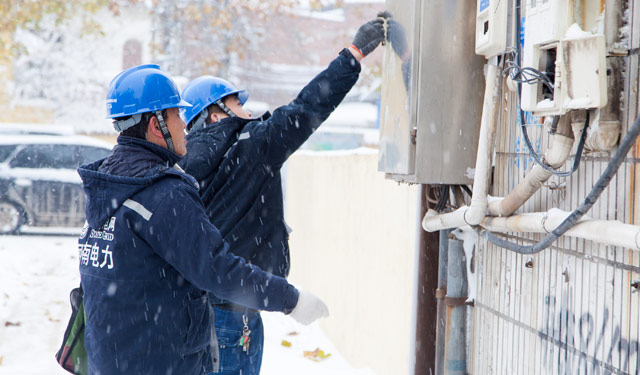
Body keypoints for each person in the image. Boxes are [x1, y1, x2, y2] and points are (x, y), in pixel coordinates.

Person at [77, 64, 328, 374]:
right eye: (176, 115)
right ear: (157, 126)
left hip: (114, 359)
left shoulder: (107, 184)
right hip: (160, 361)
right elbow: (217, 269)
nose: (185, 124)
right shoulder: (162, 193)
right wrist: (291, 299)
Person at [178, 16, 385, 374]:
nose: (247, 111)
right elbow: (308, 107)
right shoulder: (253, 144)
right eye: (236, 104)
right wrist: (354, 54)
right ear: (216, 114)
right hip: (235, 311)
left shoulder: (181, 162)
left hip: (195, 308)